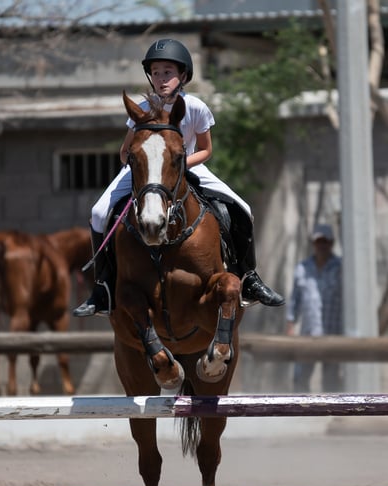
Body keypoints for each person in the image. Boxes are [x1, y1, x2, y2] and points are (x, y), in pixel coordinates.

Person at [73, 38, 285, 317]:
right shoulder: (142, 109)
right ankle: (102, 289)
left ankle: (250, 279)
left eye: (168, 72)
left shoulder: (195, 107)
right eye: (157, 73)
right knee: (99, 213)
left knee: (243, 210)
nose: (161, 79)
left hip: (189, 165)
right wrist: (144, 169)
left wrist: (178, 165)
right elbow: (125, 152)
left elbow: (206, 150)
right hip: (145, 171)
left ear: (183, 75)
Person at [286, 223, 343, 392]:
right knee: (301, 376)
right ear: (313, 243)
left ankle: (332, 414)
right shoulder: (303, 268)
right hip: (308, 333)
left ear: (331, 243)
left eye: (325, 241)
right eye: (319, 241)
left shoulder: (341, 267)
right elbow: (295, 298)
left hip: (333, 332)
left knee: (331, 378)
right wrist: (290, 324)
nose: (322, 245)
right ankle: (300, 412)